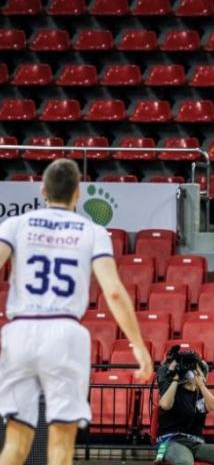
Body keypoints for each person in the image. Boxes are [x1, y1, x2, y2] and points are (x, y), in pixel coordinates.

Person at [0, 158, 153, 465]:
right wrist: (138, 345)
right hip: (65, 332)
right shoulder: (92, 231)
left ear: (43, 190)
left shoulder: (15, 225)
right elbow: (113, 291)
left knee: (16, 440)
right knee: (61, 440)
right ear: (78, 193)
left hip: (20, 330)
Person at [156, 347, 214, 465]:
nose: (193, 373)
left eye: (196, 370)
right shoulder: (174, 391)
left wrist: (201, 385)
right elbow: (165, 405)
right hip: (170, 442)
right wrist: (176, 379)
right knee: (184, 461)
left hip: (196, 444)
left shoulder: (200, 395)